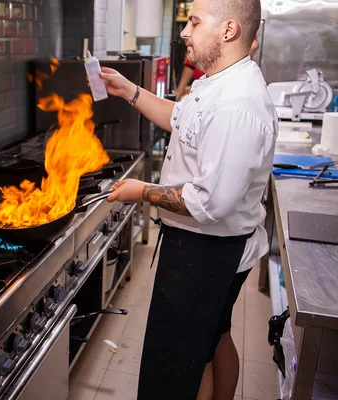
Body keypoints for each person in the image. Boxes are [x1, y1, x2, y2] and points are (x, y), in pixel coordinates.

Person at [97, 0, 277, 398]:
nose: (184, 31)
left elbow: (208, 203)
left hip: (209, 250)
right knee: (213, 338)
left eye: (194, 22)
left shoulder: (238, 105)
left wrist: (140, 192)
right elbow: (181, 120)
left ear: (228, 30)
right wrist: (130, 91)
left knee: (182, 357)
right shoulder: (218, 80)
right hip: (204, 245)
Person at [175, 36, 259, 98]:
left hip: (222, 90)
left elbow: (254, 45)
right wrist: (179, 91)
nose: (184, 33)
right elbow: (190, 65)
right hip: (201, 89)